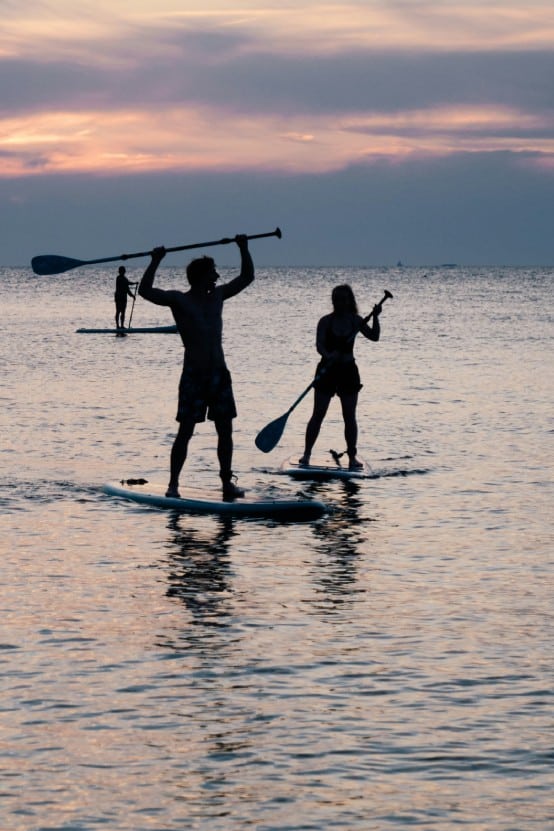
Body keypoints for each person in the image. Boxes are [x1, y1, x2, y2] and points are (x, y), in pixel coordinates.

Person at [138, 235, 254, 499]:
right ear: (202, 276)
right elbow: (145, 292)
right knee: (186, 431)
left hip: (219, 374)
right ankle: (173, 485)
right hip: (194, 375)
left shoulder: (219, 296)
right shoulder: (180, 300)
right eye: (213, 272)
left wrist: (244, 248)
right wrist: (155, 261)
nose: (217, 276)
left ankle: (226, 483)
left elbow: (247, 277)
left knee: (225, 430)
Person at [299, 284, 382, 470]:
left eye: (343, 299)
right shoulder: (325, 322)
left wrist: (376, 317)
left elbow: (374, 336)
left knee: (349, 416)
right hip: (327, 371)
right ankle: (306, 454)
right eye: (336, 299)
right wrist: (328, 355)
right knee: (318, 414)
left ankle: (352, 457)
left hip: (348, 371)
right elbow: (319, 345)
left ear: (349, 301)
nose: (339, 303)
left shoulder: (356, 321)